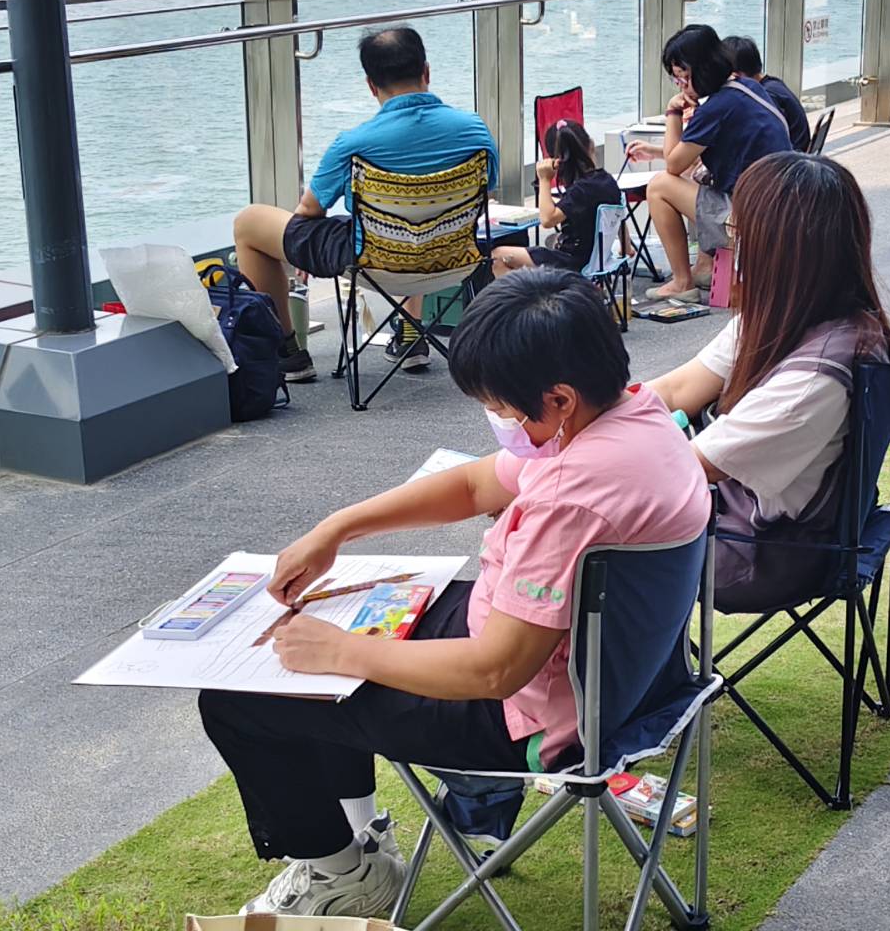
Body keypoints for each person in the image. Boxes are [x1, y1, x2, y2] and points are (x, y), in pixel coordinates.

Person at [198, 268, 710, 918]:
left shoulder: (572, 496)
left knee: (238, 697)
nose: (498, 421)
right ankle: (358, 839)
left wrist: (341, 652)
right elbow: (475, 485)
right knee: (325, 624)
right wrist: (337, 529)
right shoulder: (635, 416)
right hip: (609, 675)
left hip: (526, 716)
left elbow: (494, 671)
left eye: (502, 408)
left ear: (557, 399)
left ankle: (339, 872)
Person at [646, 151, 890, 613]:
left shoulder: (814, 379)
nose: (729, 247)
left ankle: (613, 659)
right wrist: (584, 417)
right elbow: (676, 391)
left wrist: (561, 468)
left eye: (737, 233)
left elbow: (684, 468)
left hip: (756, 551)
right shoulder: (794, 315)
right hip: (732, 510)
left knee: (582, 530)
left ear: (779, 250)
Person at [231, 27, 499, 380]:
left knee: (248, 222)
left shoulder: (353, 143)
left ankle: (289, 353)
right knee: (421, 219)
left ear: (371, 85)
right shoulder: (474, 131)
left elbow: (310, 211)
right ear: (427, 71)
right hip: (452, 259)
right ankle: (410, 335)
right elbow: (487, 190)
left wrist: (300, 248)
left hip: (373, 262)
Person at [625, 24, 794, 304]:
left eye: (682, 78)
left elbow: (674, 166)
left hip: (754, 218)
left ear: (700, 71)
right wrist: (656, 151)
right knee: (702, 179)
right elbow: (700, 155)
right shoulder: (747, 87)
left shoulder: (716, 107)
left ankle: (682, 282)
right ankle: (704, 267)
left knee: (659, 187)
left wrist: (673, 111)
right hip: (782, 206)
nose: (681, 85)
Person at [491, 119, 622, 277]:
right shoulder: (607, 180)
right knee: (552, 240)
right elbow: (618, 215)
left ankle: (528, 292)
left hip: (575, 263)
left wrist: (544, 179)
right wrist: (626, 246)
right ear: (591, 144)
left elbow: (547, 219)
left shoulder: (580, 191)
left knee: (497, 256)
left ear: (556, 161)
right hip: (598, 258)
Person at [723, 35, 812, 152]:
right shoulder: (773, 84)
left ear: (736, 75)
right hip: (798, 152)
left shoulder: (766, 96)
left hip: (790, 157)